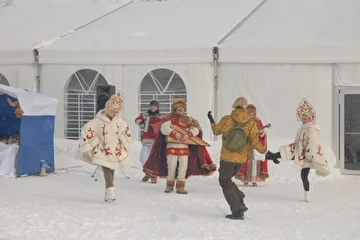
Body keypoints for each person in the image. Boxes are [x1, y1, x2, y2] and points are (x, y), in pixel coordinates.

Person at [208, 97, 273, 220]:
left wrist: (211, 119)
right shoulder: (251, 123)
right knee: (227, 180)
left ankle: (237, 210)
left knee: (224, 181)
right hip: (241, 159)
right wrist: (264, 150)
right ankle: (240, 199)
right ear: (245, 107)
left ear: (234, 106)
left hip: (227, 157)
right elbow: (254, 143)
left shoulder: (227, 119)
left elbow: (216, 131)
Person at [144, 99, 216, 194]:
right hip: (171, 146)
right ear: (175, 109)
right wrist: (174, 134)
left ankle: (180, 187)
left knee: (183, 167)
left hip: (184, 148)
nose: (180, 110)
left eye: (182, 108)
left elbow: (196, 129)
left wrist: (188, 135)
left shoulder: (188, 120)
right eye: (178, 108)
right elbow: (163, 128)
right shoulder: (169, 119)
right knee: (171, 167)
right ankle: (169, 185)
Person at [266, 98, 330, 202]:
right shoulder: (302, 128)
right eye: (303, 118)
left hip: (306, 156)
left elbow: (313, 144)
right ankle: (264, 156)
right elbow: (299, 141)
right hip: (297, 151)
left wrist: (308, 153)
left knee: (304, 176)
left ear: (309, 118)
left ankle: (307, 195)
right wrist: (294, 147)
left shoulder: (312, 129)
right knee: (281, 153)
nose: (304, 120)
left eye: (306, 118)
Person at [78, 90, 131, 202]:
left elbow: (124, 130)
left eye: (117, 111)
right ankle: (111, 190)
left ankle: (108, 191)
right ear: (108, 109)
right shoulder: (98, 121)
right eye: (113, 111)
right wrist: (95, 140)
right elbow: (88, 128)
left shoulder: (119, 122)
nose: (115, 113)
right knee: (106, 168)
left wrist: (123, 141)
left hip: (115, 149)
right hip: (103, 149)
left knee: (112, 169)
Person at [235, 104, 269, 186]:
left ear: (254, 113)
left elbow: (262, 133)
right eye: (248, 112)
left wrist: (261, 132)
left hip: (255, 145)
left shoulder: (258, 121)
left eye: (252, 112)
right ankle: (245, 179)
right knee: (245, 162)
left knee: (255, 162)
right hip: (246, 145)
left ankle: (254, 179)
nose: (250, 113)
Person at [135, 100, 164, 183]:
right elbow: (137, 120)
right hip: (146, 137)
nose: (153, 107)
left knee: (153, 158)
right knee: (142, 157)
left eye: (155, 106)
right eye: (152, 105)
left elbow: (165, 125)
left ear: (157, 107)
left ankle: (153, 176)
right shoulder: (145, 114)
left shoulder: (161, 117)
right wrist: (141, 122)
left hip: (156, 139)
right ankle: (148, 173)